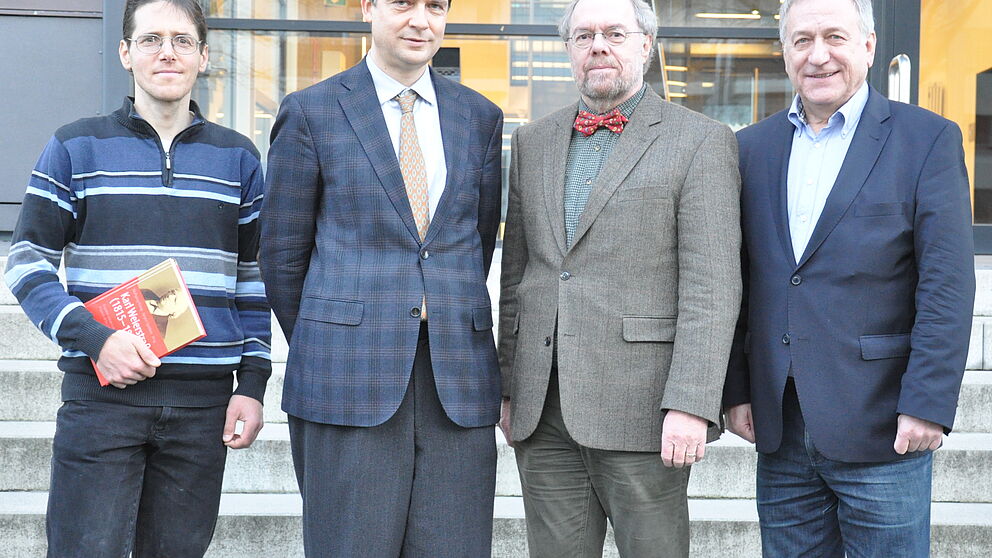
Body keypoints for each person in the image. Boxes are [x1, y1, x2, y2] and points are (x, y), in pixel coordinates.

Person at [3, 1, 271, 556]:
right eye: (151, 40)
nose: (166, 52)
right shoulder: (76, 146)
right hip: (101, 402)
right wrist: (95, 338)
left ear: (203, 56)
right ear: (126, 53)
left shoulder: (239, 158)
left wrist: (252, 385)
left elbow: (254, 279)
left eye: (181, 40)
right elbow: (27, 262)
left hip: (202, 409)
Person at [722, 0, 975, 556]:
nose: (818, 56)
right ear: (784, 52)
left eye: (834, 37)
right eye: (802, 40)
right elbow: (737, 281)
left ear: (869, 45)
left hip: (883, 425)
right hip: (781, 427)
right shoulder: (749, 149)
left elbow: (947, 286)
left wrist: (928, 402)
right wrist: (737, 388)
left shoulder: (927, 140)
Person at [258, 0, 504, 556]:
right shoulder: (312, 111)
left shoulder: (480, 117)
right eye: (403, 3)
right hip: (346, 375)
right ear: (368, 7)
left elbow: (477, 244)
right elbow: (282, 255)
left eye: (435, 6)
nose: (421, 20)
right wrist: (335, 331)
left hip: (455, 381)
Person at [496, 0, 741, 555]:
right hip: (544, 410)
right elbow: (518, 277)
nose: (598, 46)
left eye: (614, 33)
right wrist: (509, 386)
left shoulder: (700, 140)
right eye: (583, 36)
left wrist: (692, 402)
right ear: (569, 50)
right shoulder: (532, 141)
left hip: (645, 411)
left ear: (646, 45)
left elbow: (712, 287)